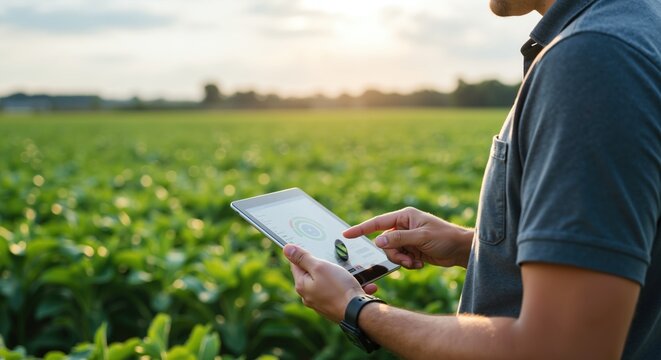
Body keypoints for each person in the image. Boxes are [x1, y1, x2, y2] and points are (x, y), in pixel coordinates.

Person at [282, 0, 661, 358]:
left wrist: (357, 308)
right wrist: (477, 248)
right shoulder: (636, 27)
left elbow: (562, 349)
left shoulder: (594, 58)